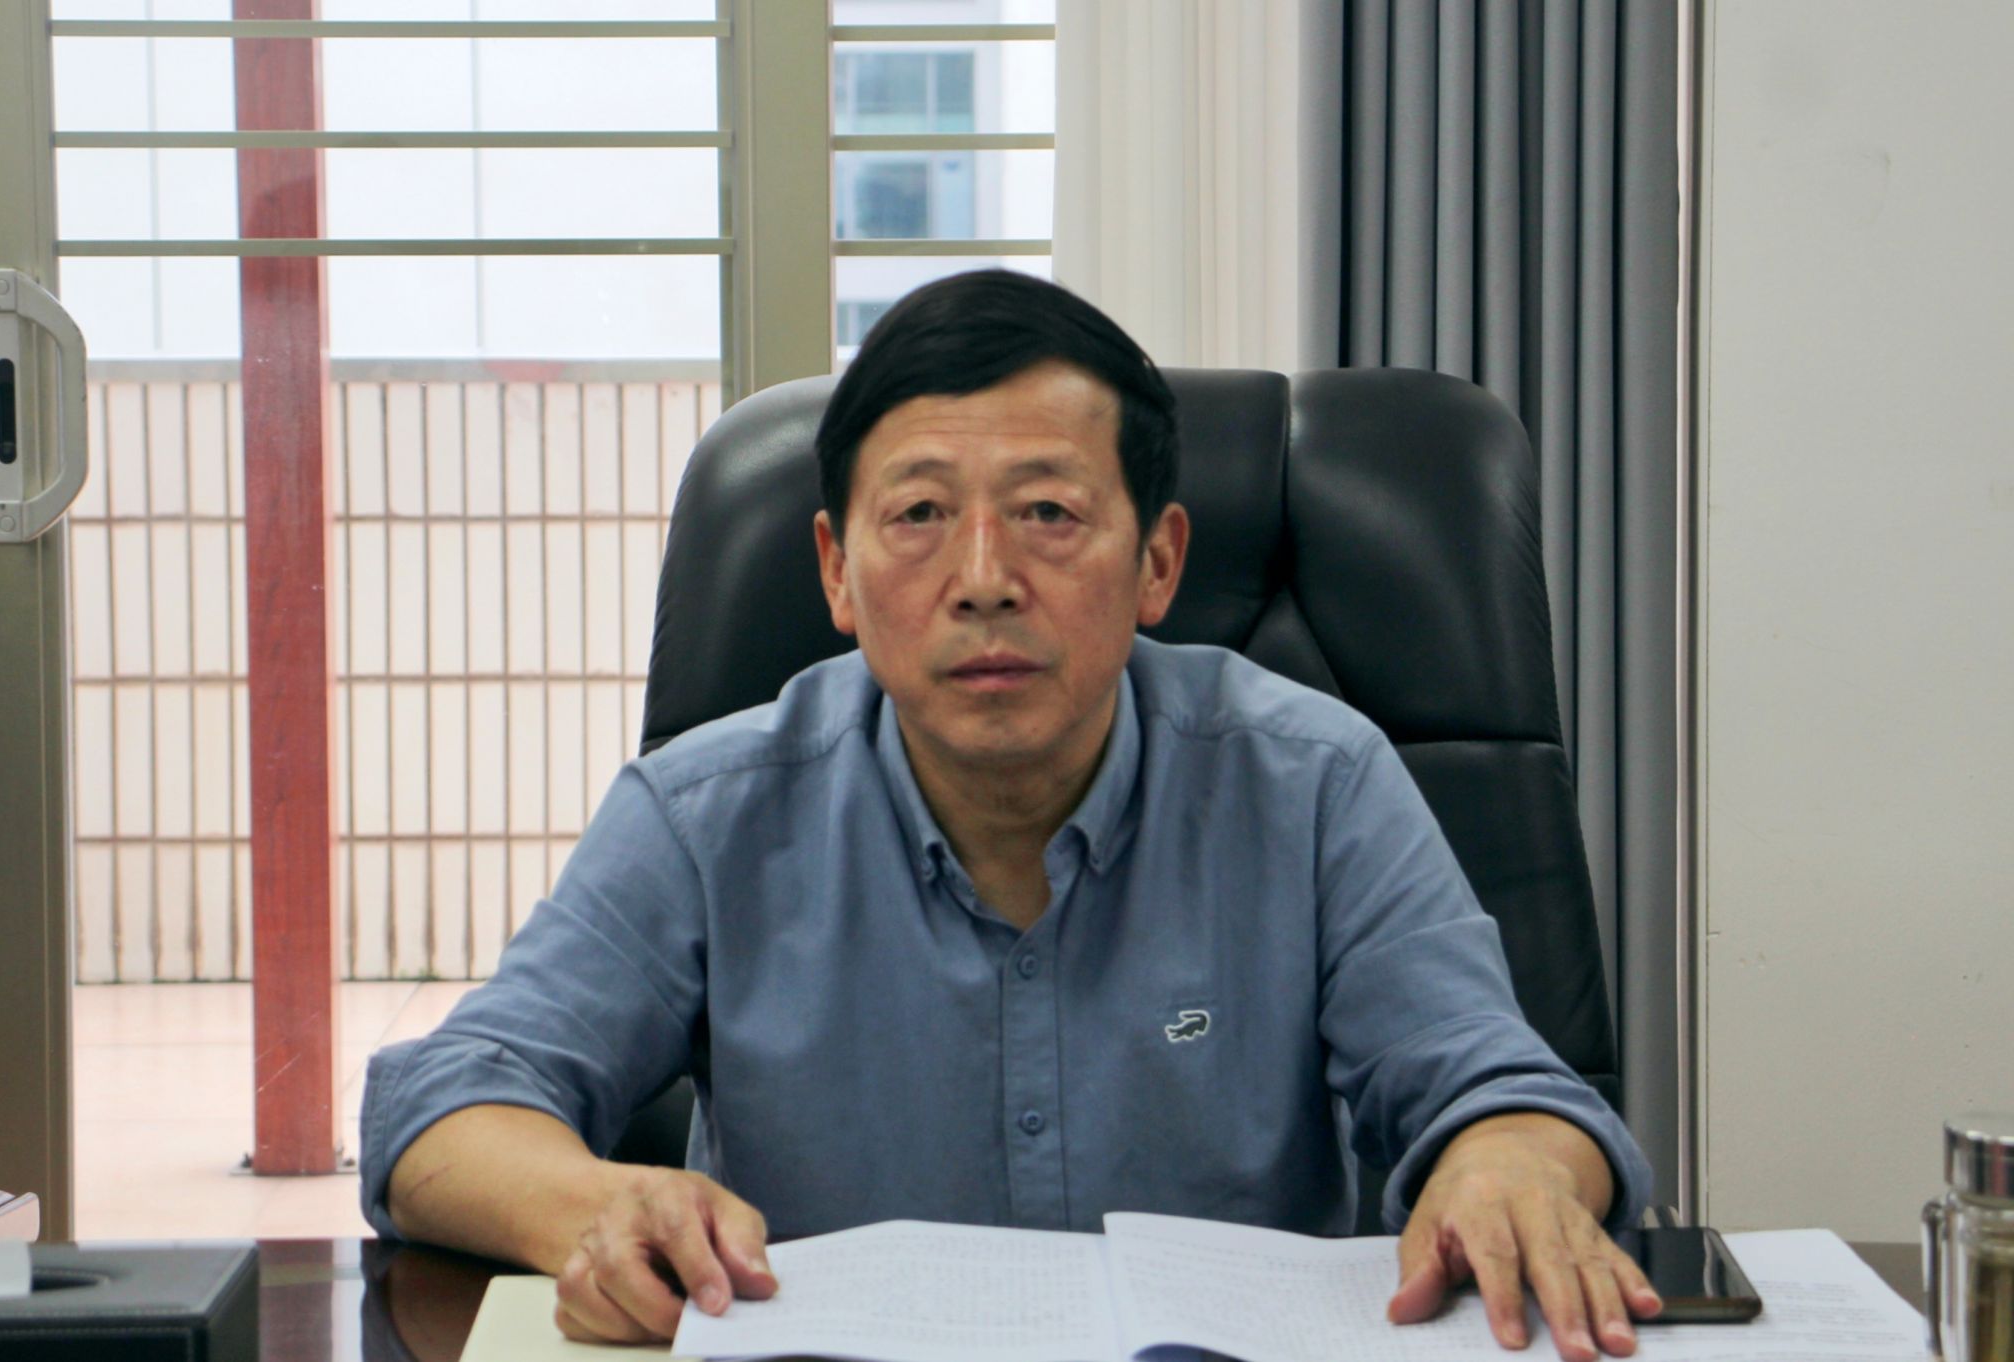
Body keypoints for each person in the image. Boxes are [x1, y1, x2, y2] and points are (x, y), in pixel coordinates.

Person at [359, 269, 1659, 1360]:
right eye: (920, 514)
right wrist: (593, 1206)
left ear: (1157, 562)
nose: (983, 577)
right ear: (837, 572)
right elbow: (444, 1110)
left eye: (1047, 513)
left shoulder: (1315, 783)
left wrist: (1509, 1166)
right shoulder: (708, 814)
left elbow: (1501, 1086)